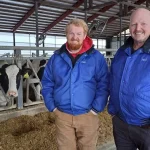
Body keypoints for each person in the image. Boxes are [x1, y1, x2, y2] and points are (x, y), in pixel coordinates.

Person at [41, 18, 109, 150]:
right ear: (66, 35)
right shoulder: (56, 57)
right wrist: (52, 107)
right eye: (71, 33)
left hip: (88, 115)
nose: (75, 37)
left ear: (84, 35)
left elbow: (104, 83)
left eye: (79, 34)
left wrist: (95, 109)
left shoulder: (96, 57)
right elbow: (47, 82)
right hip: (63, 115)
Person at [108, 8, 150, 150]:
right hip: (121, 125)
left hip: (146, 128)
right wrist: (113, 111)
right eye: (134, 24)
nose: (138, 28)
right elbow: (112, 81)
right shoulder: (121, 52)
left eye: (143, 23)